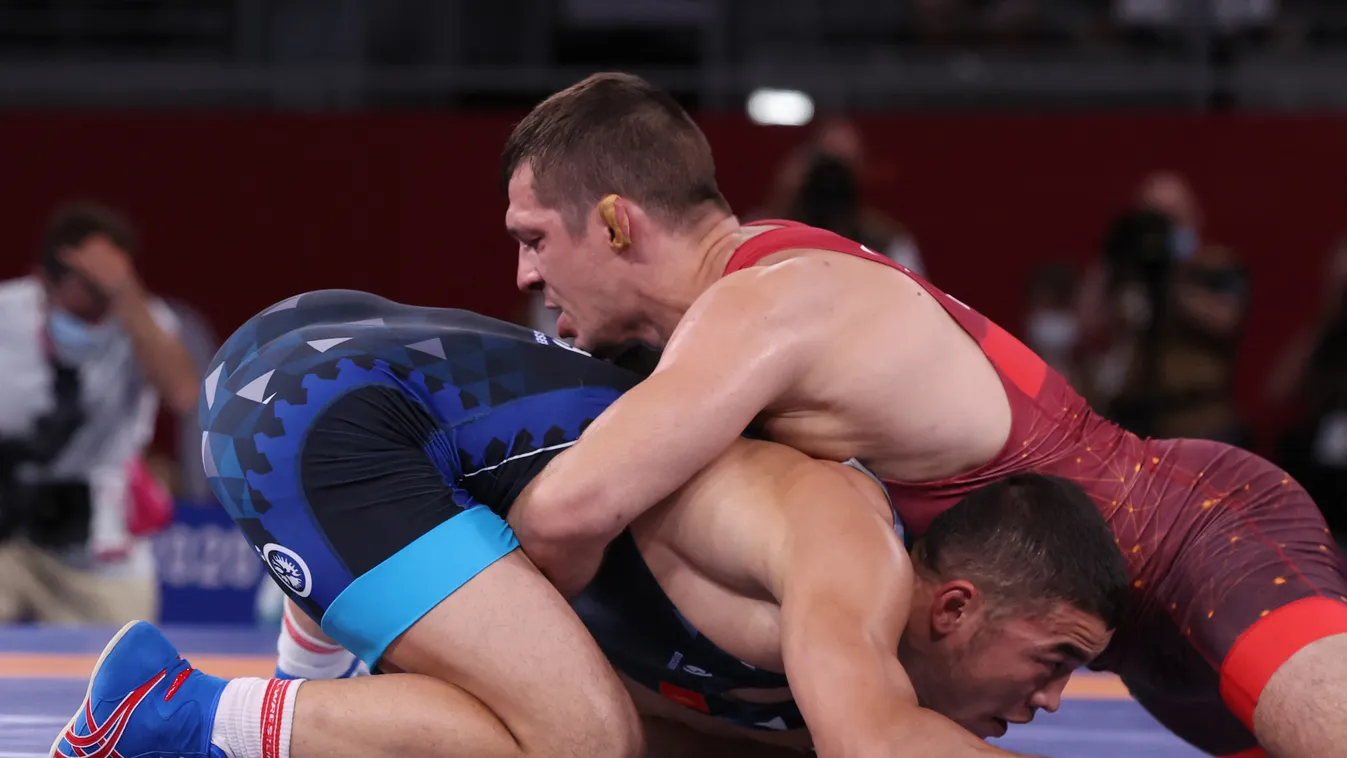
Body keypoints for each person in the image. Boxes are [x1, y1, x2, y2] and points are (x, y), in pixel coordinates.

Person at [500, 72, 1347, 758]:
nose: (524, 277)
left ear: (615, 223)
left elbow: (567, 511)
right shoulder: (754, 298)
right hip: (1113, 619)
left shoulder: (765, 304)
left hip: (1198, 537)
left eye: (534, 238)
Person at [53, 292, 1126, 758]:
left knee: (573, 723)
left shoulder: (812, 661)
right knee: (580, 739)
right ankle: (175, 713)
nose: (1046, 703)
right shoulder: (855, 550)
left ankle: (311, 673)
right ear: (956, 603)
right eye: (1054, 660)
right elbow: (873, 741)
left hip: (345, 370)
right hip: (325, 407)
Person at [0, 202, 199, 625]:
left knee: (121, 674)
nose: (99, 304)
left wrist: (125, 293)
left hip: (97, 544)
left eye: (110, 285)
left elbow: (184, 393)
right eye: (89, 287)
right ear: (44, 279)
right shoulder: (6, 313)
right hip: (6, 533)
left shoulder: (144, 321)